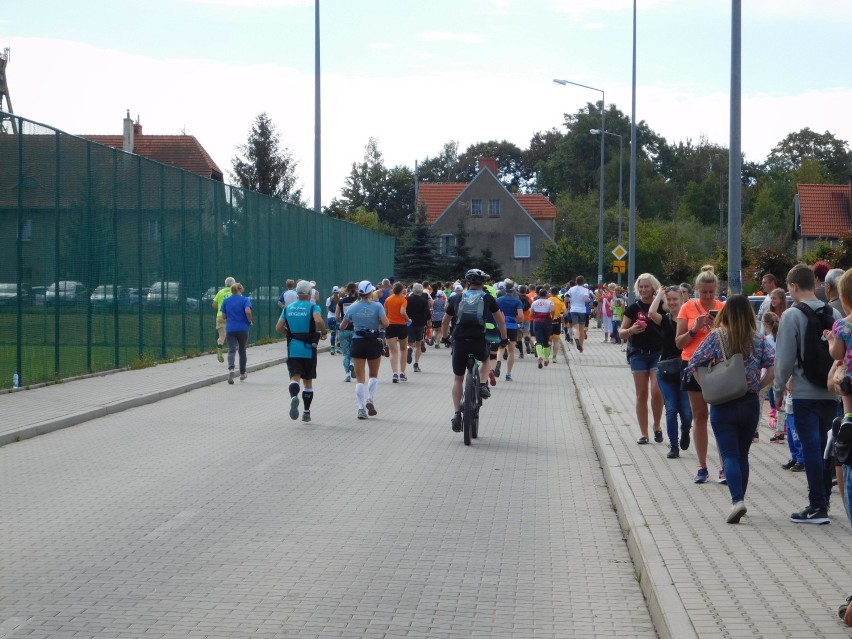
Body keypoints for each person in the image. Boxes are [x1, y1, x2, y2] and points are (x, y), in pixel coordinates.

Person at [688, 294, 775, 524]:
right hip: (749, 403)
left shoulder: (716, 337)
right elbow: (773, 366)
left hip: (723, 404)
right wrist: (758, 386)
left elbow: (693, 364)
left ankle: (737, 500)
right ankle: (740, 498)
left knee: (729, 455)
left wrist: (708, 386)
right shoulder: (757, 339)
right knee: (742, 454)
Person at [774, 263, 842, 524]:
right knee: (827, 449)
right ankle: (823, 500)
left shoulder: (792, 315)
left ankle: (816, 506)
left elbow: (784, 359)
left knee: (811, 448)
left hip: (804, 393)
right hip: (830, 391)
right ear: (814, 284)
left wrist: (778, 390)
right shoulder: (833, 313)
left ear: (792, 286)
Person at [440, 269, 508, 433]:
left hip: (460, 341)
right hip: (478, 339)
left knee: (458, 379)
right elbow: (501, 321)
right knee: (485, 360)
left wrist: (445, 337)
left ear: (467, 283)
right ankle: (483, 385)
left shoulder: (456, 297)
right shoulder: (488, 298)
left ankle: (457, 414)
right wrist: (504, 338)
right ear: (482, 284)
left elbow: (444, 321)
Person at [676, 267, 726, 483]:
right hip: (693, 365)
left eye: (711, 292)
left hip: (718, 366)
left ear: (716, 291)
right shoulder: (687, 308)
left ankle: (725, 467)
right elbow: (678, 342)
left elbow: (732, 339)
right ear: (696, 290)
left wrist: (719, 328)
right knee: (700, 417)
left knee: (721, 417)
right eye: (703, 292)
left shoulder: (723, 308)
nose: (707, 297)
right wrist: (695, 329)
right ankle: (702, 466)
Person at [648, 285, 693, 458]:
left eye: (676, 299)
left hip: (685, 370)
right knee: (672, 408)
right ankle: (673, 446)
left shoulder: (689, 321)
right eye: (670, 300)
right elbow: (652, 314)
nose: (673, 302)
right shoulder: (665, 319)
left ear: (682, 300)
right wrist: (659, 294)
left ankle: (686, 430)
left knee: (687, 413)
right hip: (666, 370)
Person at [620, 273, 664, 445]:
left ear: (654, 287)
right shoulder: (633, 308)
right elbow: (621, 332)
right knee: (641, 394)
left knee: (656, 390)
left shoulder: (661, 306)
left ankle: (657, 425)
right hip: (638, 353)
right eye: (641, 287)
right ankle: (644, 433)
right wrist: (631, 330)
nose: (644, 289)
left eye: (647, 286)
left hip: (658, 353)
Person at [276, 280, 327, 423]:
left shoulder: (288, 308)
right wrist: (323, 331)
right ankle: (306, 411)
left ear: (297, 293)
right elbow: (318, 320)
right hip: (308, 349)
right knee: (308, 381)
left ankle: (293, 396)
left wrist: (290, 334)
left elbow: (279, 327)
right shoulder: (313, 307)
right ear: (309, 293)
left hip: (293, 348)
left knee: (295, 377)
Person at [339, 280, 390, 419]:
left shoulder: (353, 307)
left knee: (360, 379)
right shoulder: (378, 306)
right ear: (370, 292)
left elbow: (342, 326)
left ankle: (361, 409)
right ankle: (370, 399)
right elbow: (386, 323)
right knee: (373, 375)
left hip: (358, 341)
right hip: (373, 341)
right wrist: (378, 322)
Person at [219, 282, 253, 384]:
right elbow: (247, 311)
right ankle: (242, 373)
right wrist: (250, 320)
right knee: (242, 350)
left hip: (230, 329)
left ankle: (231, 370)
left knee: (231, 350)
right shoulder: (245, 299)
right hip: (243, 328)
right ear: (240, 289)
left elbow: (223, 316)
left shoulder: (226, 301)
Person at [495, 281, 524, 380]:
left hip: (500, 325)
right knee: (511, 350)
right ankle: (508, 374)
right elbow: (520, 316)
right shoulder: (517, 301)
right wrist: (516, 321)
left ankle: (498, 362)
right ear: (514, 291)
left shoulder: (498, 300)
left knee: (500, 348)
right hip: (512, 326)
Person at [384, 282, 409, 382]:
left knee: (393, 351)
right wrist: (408, 319)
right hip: (401, 326)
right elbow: (402, 312)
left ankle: (395, 373)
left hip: (390, 325)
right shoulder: (403, 300)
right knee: (403, 349)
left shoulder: (388, 300)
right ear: (401, 290)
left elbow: (385, 313)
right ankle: (402, 373)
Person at [405, 283, 431, 372]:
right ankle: (416, 364)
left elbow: (405, 310)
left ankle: (410, 349)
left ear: (413, 290)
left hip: (410, 323)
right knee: (418, 344)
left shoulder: (408, 299)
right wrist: (429, 321)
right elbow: (427, 312)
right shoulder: (424, 300)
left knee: (410, 342)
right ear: (421, 291)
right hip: (420, 323)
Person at [336, 282, 358, 382]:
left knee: (345, 353)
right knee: (354, 351)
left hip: (344, 328)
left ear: (346, 290)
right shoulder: (358, 301)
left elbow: (336, 317)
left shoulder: (341, 302)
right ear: (355, 290)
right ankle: (352, 364)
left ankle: (347, 375)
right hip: (355, 329)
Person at [530, 287, 555, 369]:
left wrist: (534, 317)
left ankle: (539, 355)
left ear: (539, 294)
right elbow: (552, 311)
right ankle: (546, 358)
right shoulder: (550, 302)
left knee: (538, 340)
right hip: (547, 322)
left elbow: (531, 313)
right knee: (546, 341)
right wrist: (552, 317)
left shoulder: (535, 302)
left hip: (537, 322)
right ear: (546, 294)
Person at [212, 276, 235, 363]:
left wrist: (221, 308)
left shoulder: (220, 292)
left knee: (222, 336)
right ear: (233, 284)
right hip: (231, 317)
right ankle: (231, 353)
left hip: (220, 316)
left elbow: (214, 304)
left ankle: (220, 347)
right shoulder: (235, 292)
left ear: (225, 284)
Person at [567, 276, 590, 353]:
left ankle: (576, 338)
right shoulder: (585, 290)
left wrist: (570, 300)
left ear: (576, 281)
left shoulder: (571, 289)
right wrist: (587, 299)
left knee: (575, 327)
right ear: (583, 282)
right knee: (581, 329)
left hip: (573, 310)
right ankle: (581, 346)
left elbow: (566, 298)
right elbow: (586, 299)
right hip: (582, 311)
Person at [547, 286, 567, 363]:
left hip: (549, 321)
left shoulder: (548, 300)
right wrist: (561, 316)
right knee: (556, 340)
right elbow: (565, 313)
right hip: (557, 322)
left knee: (549, 340)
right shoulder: (560, 302)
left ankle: (547, 355)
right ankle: (554, 357)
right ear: (558, 293)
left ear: (550, 293)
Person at [326, 286, 341, 355]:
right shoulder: (341, 299)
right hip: (338, 318)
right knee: (339, 333)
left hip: (330, 318)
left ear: (332, 292)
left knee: (333, 333)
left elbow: (328, 309)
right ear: (338, 292)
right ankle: (338, 347)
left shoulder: (329, 299)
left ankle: (332, 348)